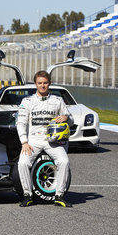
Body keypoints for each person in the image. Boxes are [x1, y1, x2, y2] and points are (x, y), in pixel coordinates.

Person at [16, 70, 73, 208]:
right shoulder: (27, 101)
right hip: (33, 140)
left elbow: (71, 120)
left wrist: (65, 117)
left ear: (50, 83)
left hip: (52, 141)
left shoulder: (58, 100)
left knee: (64, 161)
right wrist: (24, 142)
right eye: (40, 83)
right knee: (23, 163)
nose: (43, 86)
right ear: (35, 84)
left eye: (45, 83)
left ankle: (59, 195)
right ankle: (27, 195)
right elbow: (20, 123)